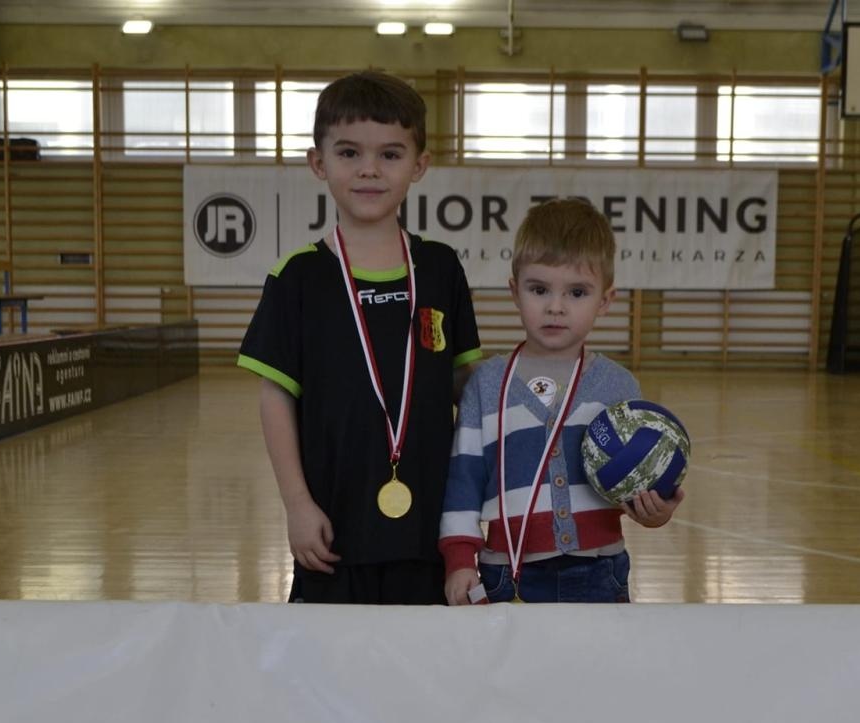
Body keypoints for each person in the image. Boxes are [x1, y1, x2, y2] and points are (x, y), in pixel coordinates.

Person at [238, 72, 483, 604]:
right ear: (319, 162)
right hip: (331, 530)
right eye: (349, 153)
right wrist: (297, 505)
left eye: (390, 155)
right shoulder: (297, 277)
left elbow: (469, 386)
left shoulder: (439, 268)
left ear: (419, 165)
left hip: (430, 529)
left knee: (423, 675)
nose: (369, 169)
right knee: (328, 678)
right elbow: (275, 397)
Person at [440, 198, 684, 606]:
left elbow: (636, 479)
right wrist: (460, 559)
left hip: (599, 571)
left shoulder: (617, 386)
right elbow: (462, 483)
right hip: (505, 574)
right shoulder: (486, 385)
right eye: (539, 289)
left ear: (605, 301)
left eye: (577, 292)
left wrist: (657, 510)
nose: (555, 306)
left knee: (594, 672)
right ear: (514, 292)